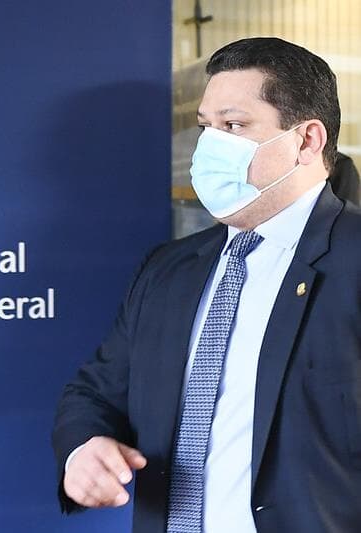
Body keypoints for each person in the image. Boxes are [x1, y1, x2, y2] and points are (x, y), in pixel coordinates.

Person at [52, 37, 360, 533]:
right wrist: (84, 446)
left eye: (233, 126)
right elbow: (96, 391)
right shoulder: (168, 269)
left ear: (307, 141)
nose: (209, 146)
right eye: (205, 127)